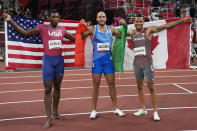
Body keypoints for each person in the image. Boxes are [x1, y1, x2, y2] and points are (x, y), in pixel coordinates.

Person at [3, 10, 75, 128]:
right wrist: (10, 20)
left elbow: (74, 39)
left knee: (57, 88)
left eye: (57, 17)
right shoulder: (42, 28)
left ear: (59, 18)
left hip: (59, 62)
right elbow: (25, 34)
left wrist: (84, 29)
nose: (55, 19)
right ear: (49, 18)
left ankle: (55, 112)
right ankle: (48, 118)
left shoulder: (63, 30)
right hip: (48, 62)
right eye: (53, 17)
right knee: (47, 90)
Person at [126, 13, 191, 121]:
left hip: (147, 63)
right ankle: (143, 108)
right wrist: (108, 27)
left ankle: (155, 111)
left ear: (143, 22)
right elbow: (117, 32)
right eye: (136, 21)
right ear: (133, 22)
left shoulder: (148, 31)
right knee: (139, 87)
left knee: (151, 87)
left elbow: (165, 26)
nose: (138, 23)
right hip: (136, 64)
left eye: (140, 21)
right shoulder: (131, 32)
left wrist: (181, 20)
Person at [81, 11, 126, 119]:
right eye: (100, 17)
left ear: (106, 18)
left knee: (112, 84)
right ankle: (93, 110)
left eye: (103, 17)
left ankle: (115, 108)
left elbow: (121, 35)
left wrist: (124, 25)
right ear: (96, 19)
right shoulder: (92, 29)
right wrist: (82, 26)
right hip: (97, 62)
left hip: (108, 62)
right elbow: (81, 36)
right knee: (96, 85)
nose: (102, 18)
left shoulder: (111, 29)